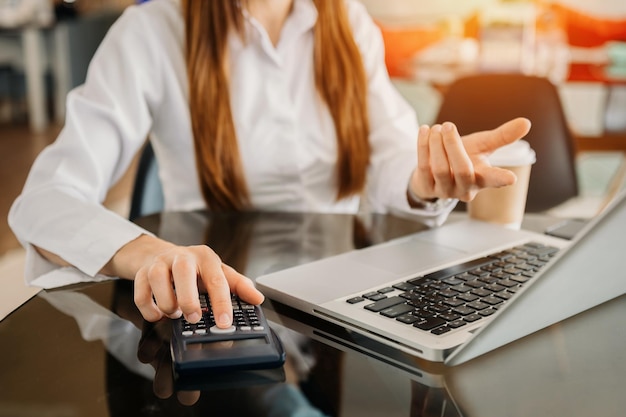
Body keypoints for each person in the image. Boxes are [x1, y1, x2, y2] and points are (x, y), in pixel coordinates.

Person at [8, 0, 531, 331]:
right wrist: (150, 254)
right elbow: (45, 202)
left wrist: (424, 180)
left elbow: (388, 154)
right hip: (215, 300)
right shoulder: (151, 31)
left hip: (346, 295)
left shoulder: (348, 21)